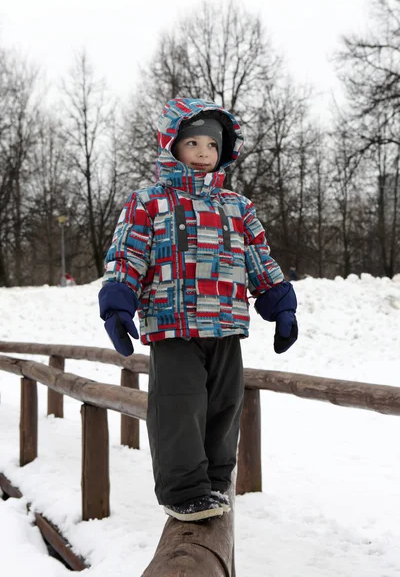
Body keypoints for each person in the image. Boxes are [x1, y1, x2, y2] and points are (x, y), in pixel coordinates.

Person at [98, 98, 298, 522]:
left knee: (225, 406)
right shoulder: (149, 202)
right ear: (172, 145)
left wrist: (280, 305)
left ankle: (216, 481)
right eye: (193, 142)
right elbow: (127, 255)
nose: (204, 153)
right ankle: (184, 490)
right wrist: (118, 302)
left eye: (212, 144)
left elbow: (259, 260)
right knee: (179, 406)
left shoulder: (238, 207)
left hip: (225, 324)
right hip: (174, 326)